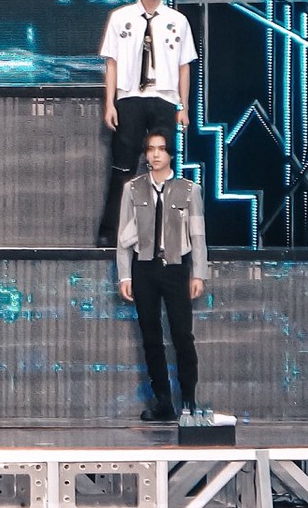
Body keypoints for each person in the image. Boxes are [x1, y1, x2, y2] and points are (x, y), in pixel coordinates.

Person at [97, 0, 197, 246]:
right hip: (130, 97)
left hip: (164, 98)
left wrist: (183, 106)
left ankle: (167, 234)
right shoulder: (121, 17)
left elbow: (184, 66)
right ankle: (111, 233)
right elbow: (112, 63)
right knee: (123, 167)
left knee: (162, 166)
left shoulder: (177, 21)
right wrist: (110, 103)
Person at [116, 130, 209, 421]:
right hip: (144, 267)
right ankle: (163, 402)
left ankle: (189, 400)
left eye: (161, 149)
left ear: (170, 154)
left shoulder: (188, 189)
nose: (155, 154)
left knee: (182, 335)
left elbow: (198, 234)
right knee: (151, 336)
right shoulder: (133, 189)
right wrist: (124, 276)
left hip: (176, 267)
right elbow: (122, 236)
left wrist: (198, 273)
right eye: (151, 149)